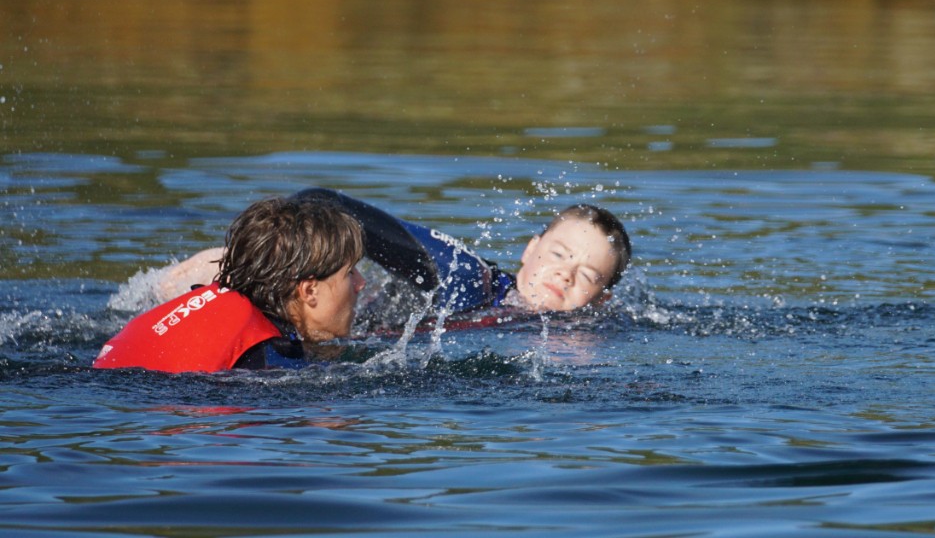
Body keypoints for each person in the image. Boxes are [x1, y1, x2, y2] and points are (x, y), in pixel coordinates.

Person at [150, 188, 632, 323]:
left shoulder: (587, 342)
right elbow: (323, 201)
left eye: (588, 275)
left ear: (603, 300)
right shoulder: (466, 280)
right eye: (558, 254)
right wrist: (257, 255)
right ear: (530, 250)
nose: (564, 275)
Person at [94, 196, 366, 372]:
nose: (361, 283)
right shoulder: (268, 358)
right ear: (309, 291)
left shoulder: (211, 301)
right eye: (350, 273)